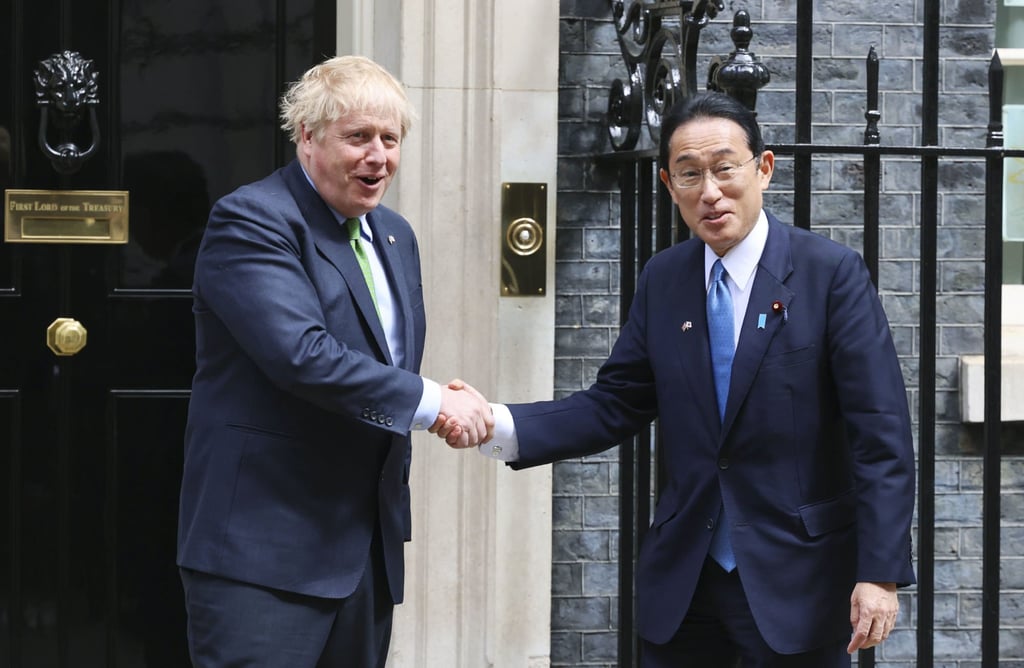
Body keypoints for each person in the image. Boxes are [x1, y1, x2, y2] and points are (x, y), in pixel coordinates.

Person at [438, 91, 916, 666]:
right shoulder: (665, 278)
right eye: (689, 175)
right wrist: (499, 424)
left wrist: (880, 574)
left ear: (763, 169)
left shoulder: (829, 275)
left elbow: (881, 436)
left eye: (724, 168)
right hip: (686, 585)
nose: (709, 192)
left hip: (798, 583)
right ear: (669, 186)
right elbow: (615, 403)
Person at [177, 55, 493, 668]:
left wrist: (435, 402)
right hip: (263, 556)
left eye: (390, 139)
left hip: (365, 550)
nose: (378, 156)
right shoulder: (253, 220)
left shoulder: (395, 234)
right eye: (358, 137)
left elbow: (384, 363)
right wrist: (433, 404)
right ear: (308, 137)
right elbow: (302, 355)